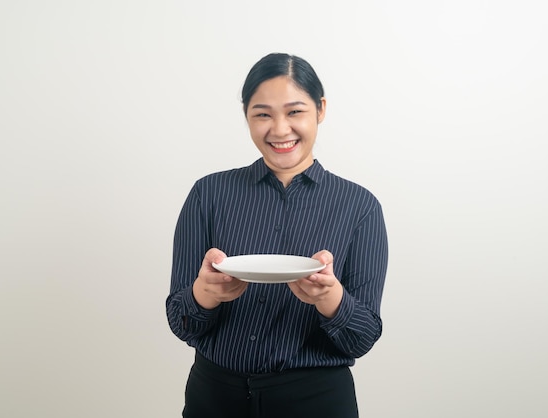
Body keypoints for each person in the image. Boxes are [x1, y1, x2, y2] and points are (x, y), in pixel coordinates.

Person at [166, 52, 388, 418]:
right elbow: (181, 320)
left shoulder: (360, 206)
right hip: (214, 397)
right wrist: (203, 294)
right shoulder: (208, 194)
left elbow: (363, 337)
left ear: (321, 110)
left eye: (295, 111)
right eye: (263, 114)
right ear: (246, 116)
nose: (280, 129)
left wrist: (331, 299)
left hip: (316, 400)